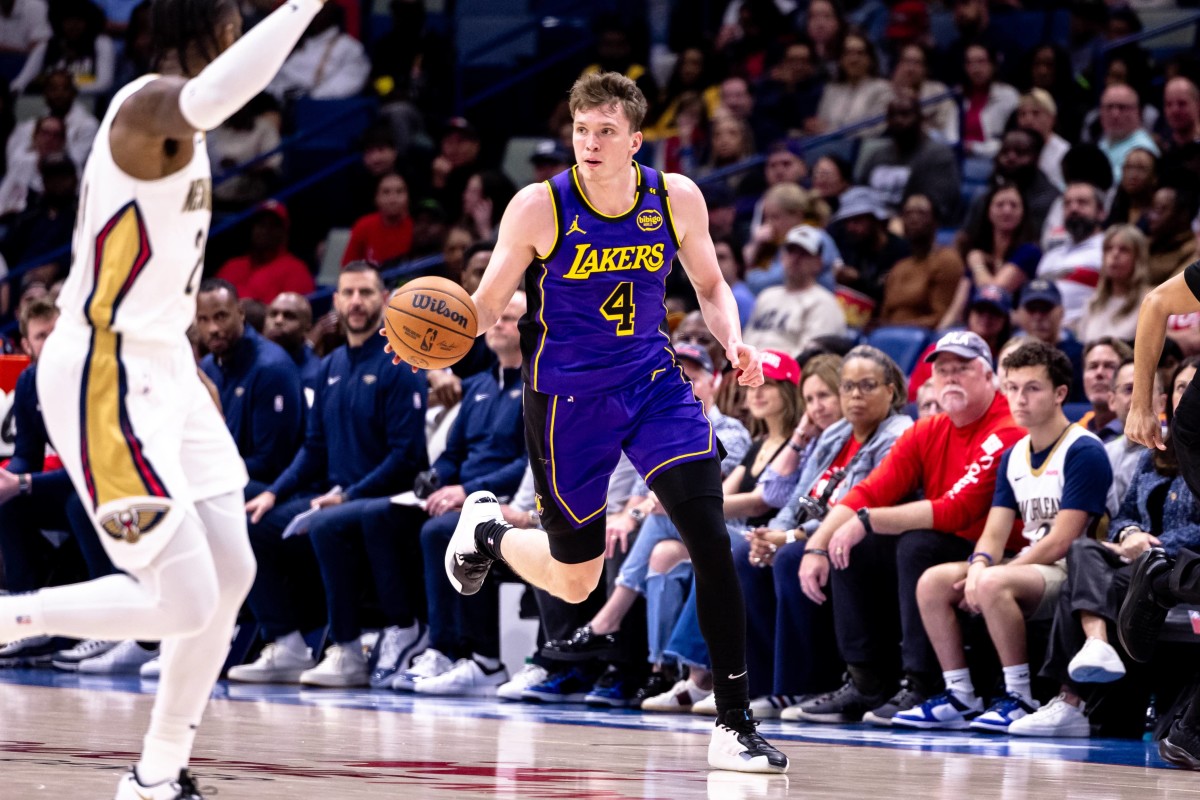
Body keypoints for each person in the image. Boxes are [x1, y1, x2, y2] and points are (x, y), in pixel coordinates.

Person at [390, 71, 789, 774]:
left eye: (606, 131)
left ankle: (732, 722)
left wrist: (734, 343)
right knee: (576, 579)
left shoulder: (674, 197)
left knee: (710, 538)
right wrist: (439, 333)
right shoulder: (538, 206)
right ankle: (488, 531)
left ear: (637, 139)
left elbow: (712, 286)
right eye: (581, 129)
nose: (591, 143)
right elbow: (486, 308)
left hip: (654, 386)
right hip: (567, 403)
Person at [1, 0, 332, 795]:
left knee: (229, 576)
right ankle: (11, 617)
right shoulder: (145, 108)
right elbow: (217, 92)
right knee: (181, 599)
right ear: (212, 33)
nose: (246, 32)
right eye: (239, 20)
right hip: (103, 369)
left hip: (165, 369)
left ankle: (156, 775)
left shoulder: (194, 129)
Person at [794, 331, 1025, 725]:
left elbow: (957, 510)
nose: (950, 378)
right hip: (953, 545)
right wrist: (818, 544)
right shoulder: (929, 429)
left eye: (963, 369)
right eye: (943, 371)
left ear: (991, 378)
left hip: (1002, 552)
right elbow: (870, 489)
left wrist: (864, 521)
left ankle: (925, 683)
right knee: (852, 546)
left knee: (914, 544)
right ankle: (866, 680)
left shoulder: (1005, 429)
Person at [893, 341, 1110, 732]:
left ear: (1061, 393)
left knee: (993, 581)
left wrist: (991, 576)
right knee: (932, 582)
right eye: (1011, 388)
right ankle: (960, 694)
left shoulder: (1083, 450)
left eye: (1032, 388)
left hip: (1074, 570)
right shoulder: (1014, 453)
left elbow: (1063, 540)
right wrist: (977, 568)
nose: (1019, 399)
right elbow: (993, 533)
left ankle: (1020, 696)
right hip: (1030, 564)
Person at [233, 264, 428, 689]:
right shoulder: (331, 364)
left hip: (391, 499)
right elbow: (314, 447)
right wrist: (274, 493)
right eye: (348, 293)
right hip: (337, 495)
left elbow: (406, 457)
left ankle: (347, 648)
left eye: (366, 292)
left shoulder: (401, 362)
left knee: (324, 523)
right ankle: (285, 643)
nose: (356, 302)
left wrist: (348, 495)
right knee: (250, 521)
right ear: (335, 301)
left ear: (384, 299)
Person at [195, 279, 303, 490]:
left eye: (221, 316)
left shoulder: (272, 368)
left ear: (240, 312)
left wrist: (207, 472)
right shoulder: (208, 367)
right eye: (203, 320)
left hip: (270, 487)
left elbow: (270, 463)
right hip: (226, 475)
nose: (213, 328)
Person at [743, 224, 846, 354]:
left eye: (804, 253)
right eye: (791, 250)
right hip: (748, 368)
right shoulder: (767, 296)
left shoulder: (825, 303)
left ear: (818, 263)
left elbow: (811, 356)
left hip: (785, 371)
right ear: (782, 257)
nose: (795, 258)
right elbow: (746, 339)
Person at [215, 199, 315, 304]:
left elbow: (297, 314)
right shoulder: (232, 266)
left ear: (284, 233)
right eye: (261, 224)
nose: (265, 230)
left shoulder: (296, 270)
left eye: (273, 225)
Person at [1078, 225, 1150, 343]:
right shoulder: (1092, 303)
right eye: (1109, 249)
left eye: (1124, 249)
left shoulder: (1149, 302)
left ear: (1138, 259)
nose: (1115, 254)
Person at [263, 291, 322, 393]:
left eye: (289, 316)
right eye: (273, 314)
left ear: (307, 326)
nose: (278, 321)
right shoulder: (249, 365)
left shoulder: (316, 375)